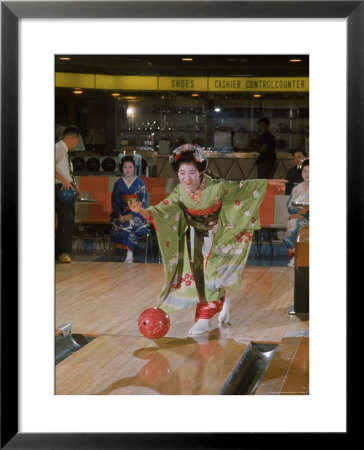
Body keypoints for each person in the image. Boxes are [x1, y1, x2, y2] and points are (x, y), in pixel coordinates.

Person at [129, 144, 287, 335]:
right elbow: (162, 210)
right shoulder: (180, 193)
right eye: (182, 173)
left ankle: (204, 318)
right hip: (198, 236)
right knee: (202, 277)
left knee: (211, 276)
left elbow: (242, 188)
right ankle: (216, 306)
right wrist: (142, 211)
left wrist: (267, 183)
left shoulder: (217, 187)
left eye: (192, 173)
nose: (187, 179)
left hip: (221, 233)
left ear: (201, 171)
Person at [110, 156, 149, 263]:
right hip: (121, 213)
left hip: (138, 214)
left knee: (131, 223)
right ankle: (125, 253)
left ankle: (129, 254)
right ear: (122, 169)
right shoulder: (118, 184)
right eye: (125, 167)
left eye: (130, 167)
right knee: (121, 223)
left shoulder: (141, 183)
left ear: (134, 168)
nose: (127, 170)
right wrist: (119, 215)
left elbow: (143, 201)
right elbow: (115, 202)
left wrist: (132, 214)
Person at [55, 125, 81, 263]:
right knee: (66, 216)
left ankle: (61, 251)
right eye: (77, 141)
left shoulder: (66, 153)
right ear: (72, 138)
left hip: (67, 188)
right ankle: (63, 252)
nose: (77, 144)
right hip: (58, 188)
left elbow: (67, 172)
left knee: (69, 218)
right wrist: (62, 179)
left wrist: (74, 184)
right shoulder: (57, 148)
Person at [283, 159, 309, 267]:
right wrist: (299, 212)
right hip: (299, 217)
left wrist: (303, 213)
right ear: (301, 173)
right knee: (293, 221)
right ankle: (294, 254)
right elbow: (289, 206)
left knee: (296, 222)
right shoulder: (296, 189)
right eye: (305, 171)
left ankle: (297, 256)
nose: (307, 174)